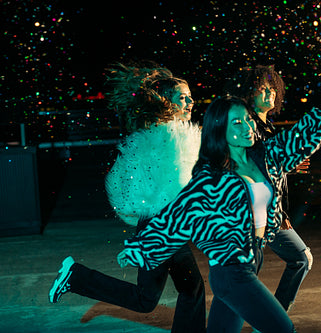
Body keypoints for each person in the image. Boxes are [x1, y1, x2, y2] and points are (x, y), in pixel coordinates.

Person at [117, 79, 321, 333]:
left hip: (253, 259)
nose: (248, 127)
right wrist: (140, 249)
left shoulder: (265, 156)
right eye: (236, 123)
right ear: (220, 131)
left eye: (247, 119)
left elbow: (299, 139)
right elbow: (178, 217)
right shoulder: (212, 178)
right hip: (231, 270)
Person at [48, 62, 206, 333]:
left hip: (162, 224)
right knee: (153, 298)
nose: (191, 101)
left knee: (189, 290)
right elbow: (176, 190)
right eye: (183, 97)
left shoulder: (166, 133)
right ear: (166, 102)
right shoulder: (166, 137)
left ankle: (77, 277)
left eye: (191, 96)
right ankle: (76, 276)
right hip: (162, 227)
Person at [224, 65, 314, 312]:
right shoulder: (247, 127)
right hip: (251, 216)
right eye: (262, 89)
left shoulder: (265, 128)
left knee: (249, 275)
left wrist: (287, 166)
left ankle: (271, 318)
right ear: (248, 94)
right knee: (297, 259)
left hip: (264, 215)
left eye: (272, 88)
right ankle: (273, 319)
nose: (270, 94)